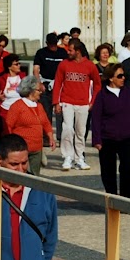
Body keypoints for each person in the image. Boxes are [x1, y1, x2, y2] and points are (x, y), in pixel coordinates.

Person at [91, 65, 130, 198]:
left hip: (127, 137)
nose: (123, 78)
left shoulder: (129, 93)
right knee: (108, 169)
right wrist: (96, 139)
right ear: (110, 78)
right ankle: (112, 197)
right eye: (120, 76)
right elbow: (96, 118)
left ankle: (126, 197)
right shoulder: (102, 95)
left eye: (124, 75)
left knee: (128, 168)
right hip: (107, 138)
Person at [53, 41, 99, 171]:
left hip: (83, 103)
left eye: (70, 50)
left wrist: (93, 101)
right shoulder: (63, 64)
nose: (68, 52)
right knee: (67, 129)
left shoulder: (90, 66)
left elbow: (97, 84)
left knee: (80, 131)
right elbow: (57, 83)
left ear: (78, 51)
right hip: (67, 101)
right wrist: (56, 102)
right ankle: (68, 156)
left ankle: (79, 158)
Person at [4, 75, 56, 176]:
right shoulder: (17, 106)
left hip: (37, 149)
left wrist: (51, 137)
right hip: (21, 149)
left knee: (35, 176)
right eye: (38, 90)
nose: (41, 92)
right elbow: (8, 126)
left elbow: (46, 123)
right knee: (22, 175)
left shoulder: (39, 106)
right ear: (30, 90)